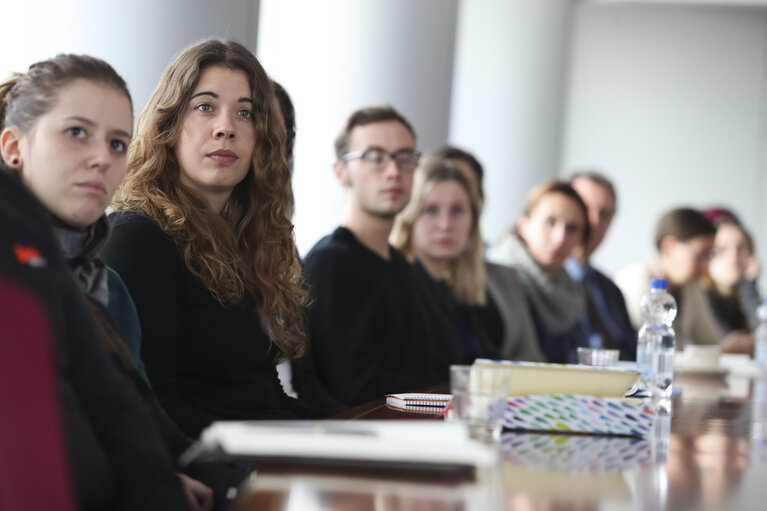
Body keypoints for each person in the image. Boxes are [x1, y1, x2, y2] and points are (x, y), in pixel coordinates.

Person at [0, 55, 191, 510]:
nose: (102, 158)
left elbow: (127, 414)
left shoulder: (98, 287)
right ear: (13, 147)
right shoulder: (29, 267)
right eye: (76, 133)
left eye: (118, 144)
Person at [102, 38, 315, 439]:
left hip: (256, 462)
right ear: (169, 125)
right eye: (205, 107)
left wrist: (342, 438)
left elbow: (263, 397)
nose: (226, 128)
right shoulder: (139, 238)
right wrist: (282, 451)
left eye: (245, 113)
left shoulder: (242, 241)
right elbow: (157, 410)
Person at [295, 106, 440, 408]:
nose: (393, 171)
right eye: (374, 157)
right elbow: (353, 387)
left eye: (404, 157)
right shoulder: (331, 264)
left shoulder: (401, 265)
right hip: (365, 439)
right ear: (340, 171)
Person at [427, 145, 543, 362]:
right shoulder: (409, 279)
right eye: (433, 208)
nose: (445, 223)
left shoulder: (500, 276)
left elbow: (530, 356)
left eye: (459, 206)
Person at [389, 158, 498, 375]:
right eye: (430, 210)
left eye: (457, 210)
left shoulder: (462, 293)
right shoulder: (398, 287)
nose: (445, 224)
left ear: (473, 221)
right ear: (409, 217)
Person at [615, 207, 753, 354]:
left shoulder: (690, 287)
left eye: (710, 256)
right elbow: (649, 351)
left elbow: (711, 341)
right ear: (669, 247)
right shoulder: (635, 282)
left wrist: (728, 346)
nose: (707, 266)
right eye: (701, 255)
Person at [486, 180, 590, 363]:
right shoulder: (498, 278)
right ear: (523, 225)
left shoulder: (571, 290)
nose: (560, 238)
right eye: (550, 222)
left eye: (572, 228)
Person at [565, 171, 636, 360]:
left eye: (604, 214)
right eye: (586, 208)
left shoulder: (610, 289)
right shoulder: (545, 283)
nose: (594, 221)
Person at [704, 217, 761, 334]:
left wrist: (749, 284)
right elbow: (727, 340)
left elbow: (762, 331)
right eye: (722, 249)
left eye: (742, 248)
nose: (734, 258)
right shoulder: (700, 294)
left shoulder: (744, 294)